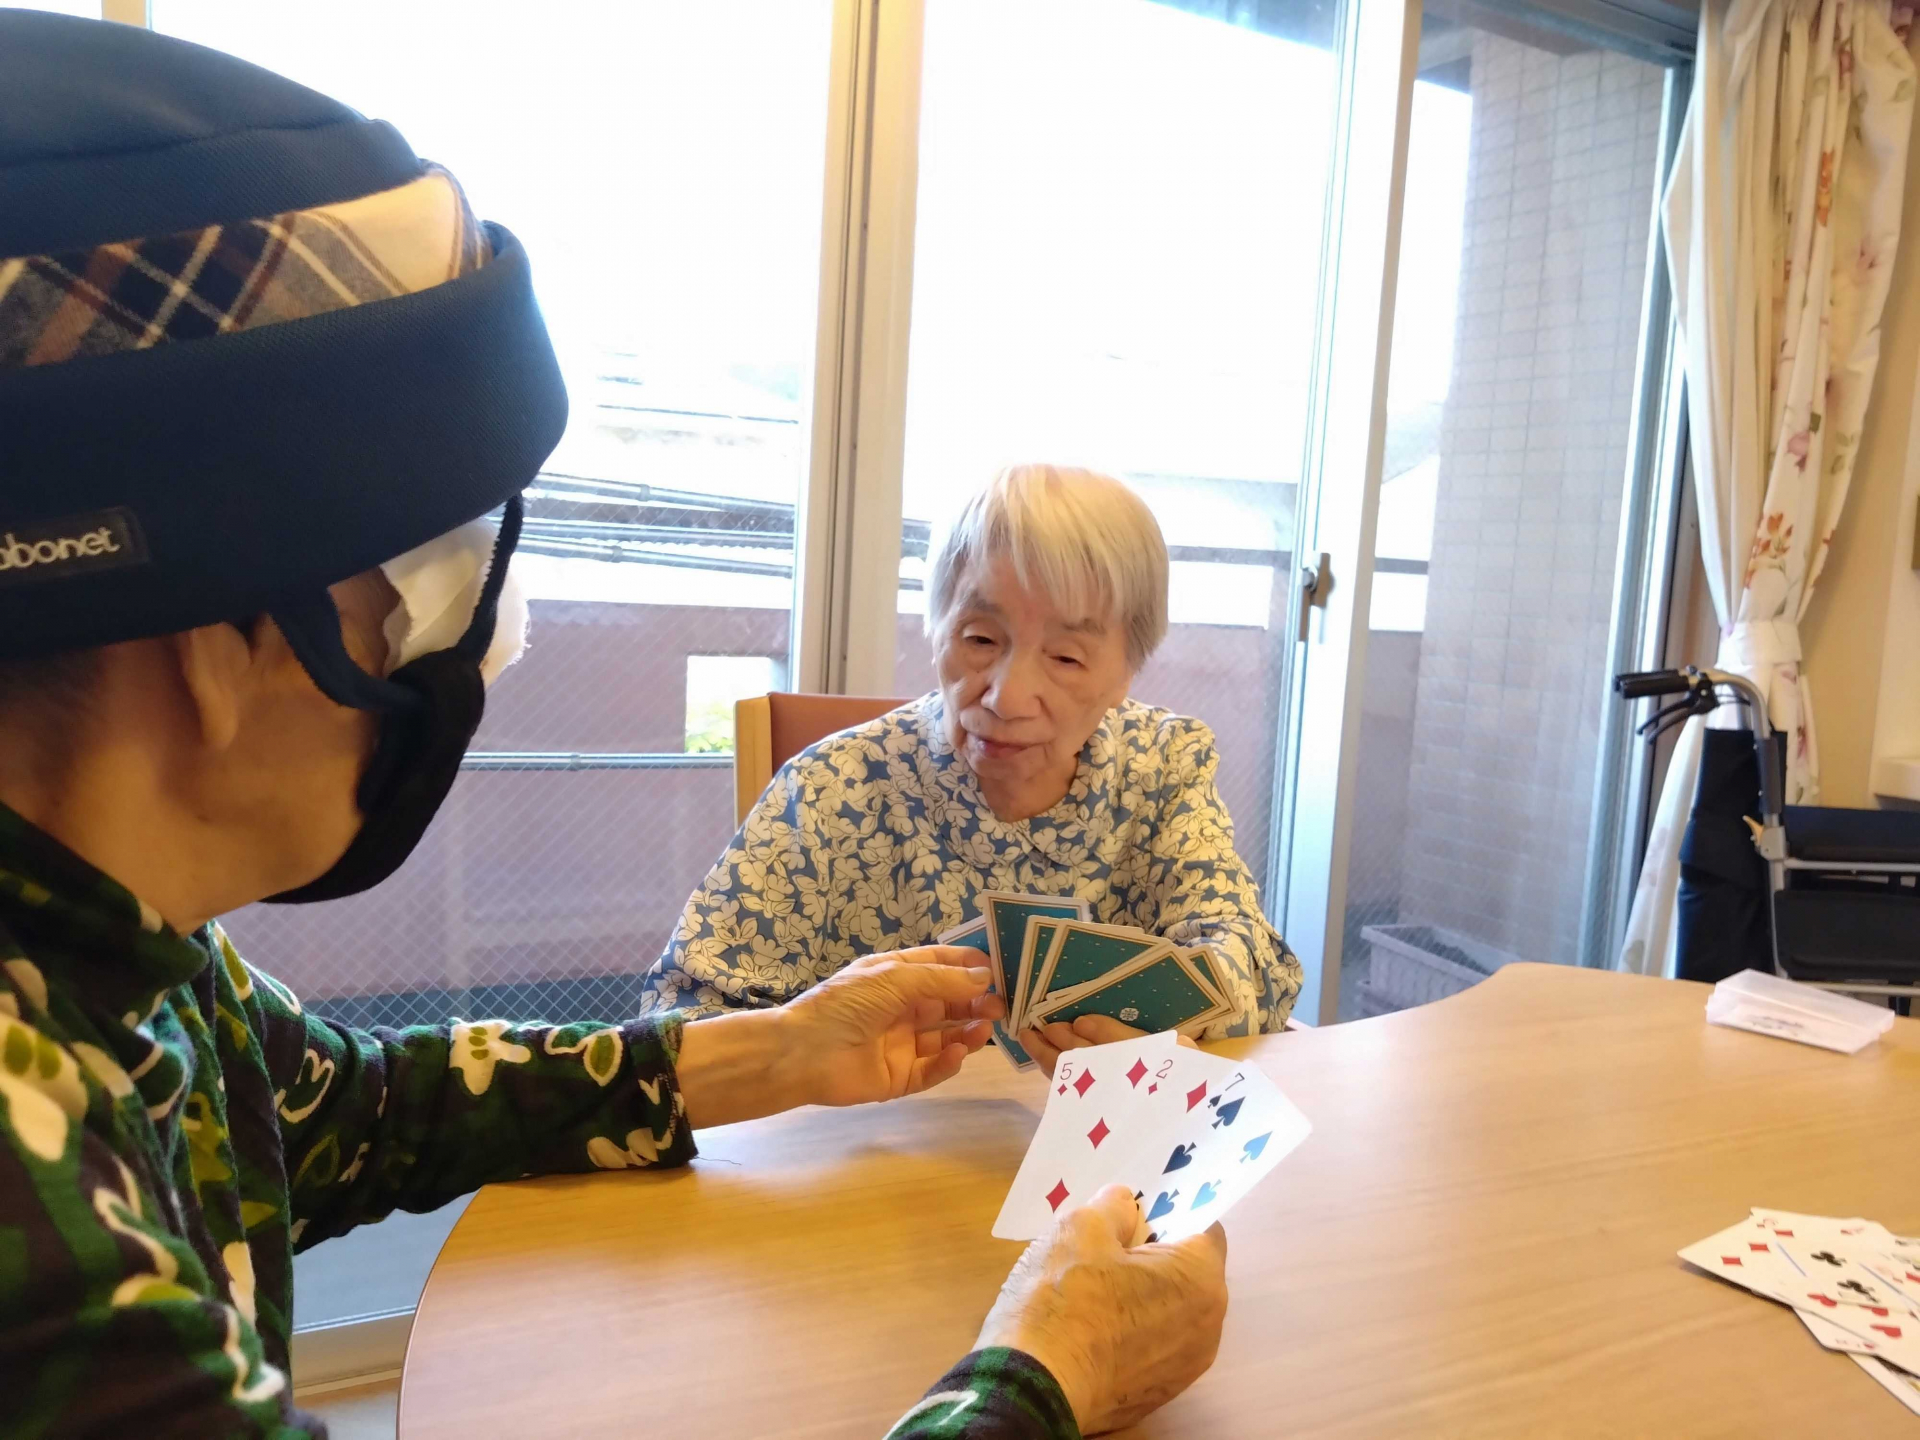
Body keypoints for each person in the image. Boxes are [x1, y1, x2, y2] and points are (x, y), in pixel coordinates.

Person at [0, 15, 1226, 1437]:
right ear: (214, 639)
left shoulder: (132, 960)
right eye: (434, 588)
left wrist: (780, 1050)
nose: (479, 651)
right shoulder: (40, 1239)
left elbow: (353, 1108)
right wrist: (1044, 1374)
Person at [642, 464, 1304, 1069]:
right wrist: (802, 1046)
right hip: (874, 1147)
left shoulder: (1163, 766)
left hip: (1100, 1148)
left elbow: (1250, 969)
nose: (1007, 698)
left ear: (1128, 671)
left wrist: (1179, 1031)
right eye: (981, 639)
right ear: (936, 629)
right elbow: (681, 1023)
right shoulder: (831, 789)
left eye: (1066, 658)